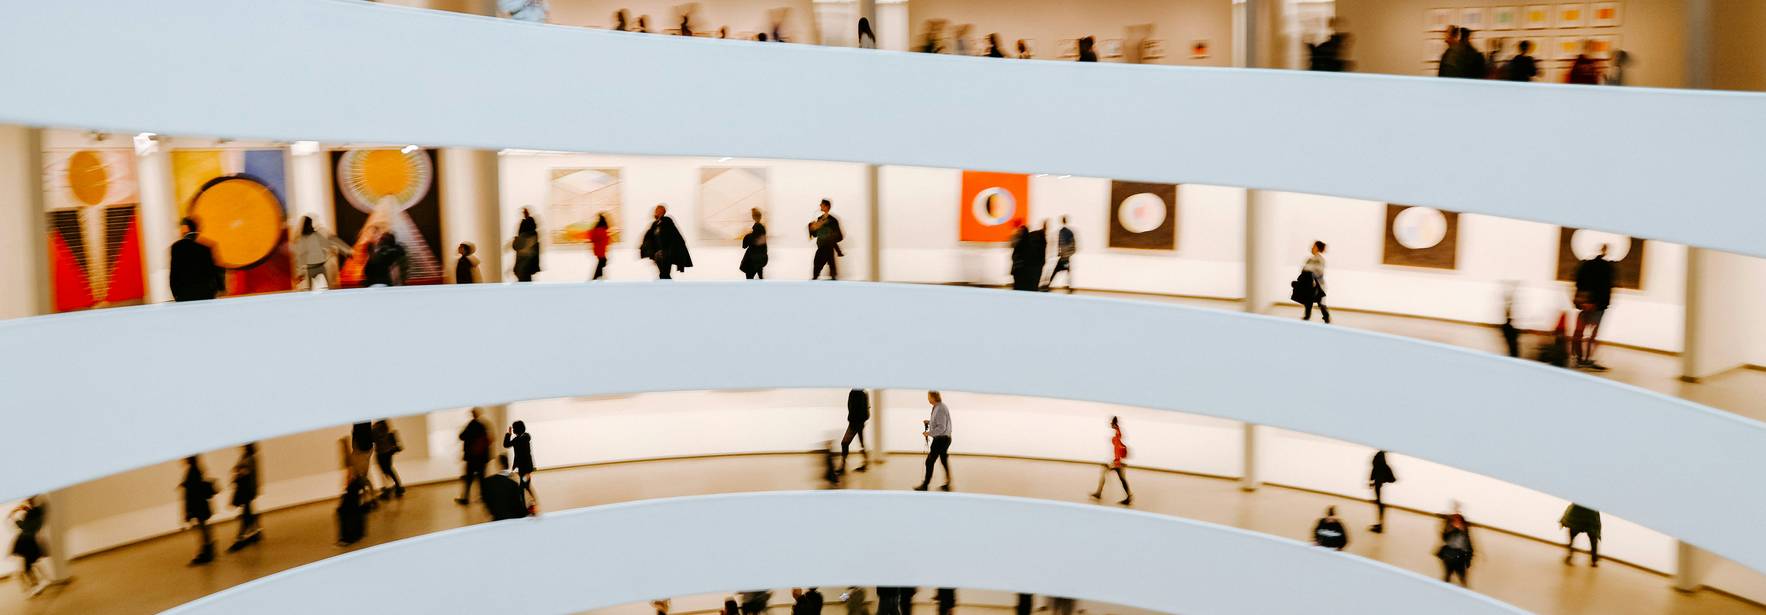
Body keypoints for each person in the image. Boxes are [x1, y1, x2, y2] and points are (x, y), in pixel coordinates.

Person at [1572, 244, 1616, 371]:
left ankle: (1579, 359)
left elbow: (1578, 282)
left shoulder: (1586, 265)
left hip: (1587, 304)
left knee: (1579, 332)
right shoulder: (1607, 267)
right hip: (1598, 305)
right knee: (1592, 335)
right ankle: (1587, 359)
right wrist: (1600, 303)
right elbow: (1606, 287)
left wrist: (1582, 302)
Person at [170, 218, 224, 302]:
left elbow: (174, 272)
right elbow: (215, 270)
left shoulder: (177, 247)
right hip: (205, 293)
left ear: (185, 228)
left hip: (184, 294)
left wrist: (175, 293)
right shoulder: (207, 246)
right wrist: (220, 288)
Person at [293, 216, 352, 290]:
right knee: (309, 290)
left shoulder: (316, 235)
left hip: (321, 266)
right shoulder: (303, 239)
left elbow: (331, 242)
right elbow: (300, 257)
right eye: (310, 223)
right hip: (311, 268)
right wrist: (300, 273)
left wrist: (346, 251)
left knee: (331, 287)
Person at [180, 456, 217, 564]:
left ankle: (206, 552)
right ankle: (208, 550)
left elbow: (192, 492)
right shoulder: (197, 469)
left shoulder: (192, 471)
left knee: (201, 528)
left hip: (197, 505)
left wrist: (188, 511)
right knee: (203, 527)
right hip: (201, 504)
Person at [640, 204, 692, 279]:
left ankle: (665, 288)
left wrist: (669, 250)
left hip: (666, 253)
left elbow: (674, 235)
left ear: (661, 212)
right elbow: (649, 237)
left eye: (657, 210)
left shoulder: (667, 221)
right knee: (663, 274)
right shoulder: (655, 224)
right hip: (657, 254)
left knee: (664, 273)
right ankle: (666, 287)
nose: (655, 212)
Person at [9, 496, 48, 596]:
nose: (26, 502)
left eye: (28, 500)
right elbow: (29, 524)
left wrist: (14, 516)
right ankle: (38, 582)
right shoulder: (38, 511)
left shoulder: (33, 512)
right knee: (31, 562)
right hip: (29, 540)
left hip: (25, 540)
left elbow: (24, 526)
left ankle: (37, 584)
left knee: (28, 565)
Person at [1089, 416, 1133, 505]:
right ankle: (1129, 496)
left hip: (1118, 463)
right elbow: (1117, 450)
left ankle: (1099, 493)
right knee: (1121, 479)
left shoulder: (1117, 434)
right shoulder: (1116, 435)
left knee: (1117, 477)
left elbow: (1118, 444)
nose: (1110, 424)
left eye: (1111, 423)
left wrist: (1115, 463)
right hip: (1117, 462)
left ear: (1114, 423)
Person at [915, 391, 953, 491]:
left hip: (941, 439)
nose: (928, 398)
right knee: (944, 460)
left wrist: (929, 433)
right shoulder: (938, 407)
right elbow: (938, 423)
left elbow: (941, 427)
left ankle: (925, 485)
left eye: (928, 396)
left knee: (929, 461)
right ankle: (948, 484)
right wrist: (929, 422)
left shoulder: (940, 409)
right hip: (944, 439)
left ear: (933, 397)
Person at [227, 443, 262, 552]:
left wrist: (237, 472)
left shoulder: (249, 458)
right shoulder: (247, 457)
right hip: (246, 489)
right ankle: (256, 532)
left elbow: (244, 471)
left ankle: (240, 538)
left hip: (246, 490)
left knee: (246, 514)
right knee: (248, 512)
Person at [456, 408, 492, 504]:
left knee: (469, 479)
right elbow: (490, 440)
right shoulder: (484, 424)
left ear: (473, 414)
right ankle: (485, 498)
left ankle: (465, 498)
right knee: (482, 479)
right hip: (482, 457)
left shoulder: (472, 424)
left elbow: (461, 436)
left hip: (472, 458)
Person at [481, 454, 530, 521]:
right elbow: (520, 510)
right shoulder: (513, 484)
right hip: (512, 520)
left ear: (498, 465)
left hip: (496, 519)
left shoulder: (488, 482)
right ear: (508, 464)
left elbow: (486, 502)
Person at [335, 455, 369, 546]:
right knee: (350, 513)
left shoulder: (355, 471)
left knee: (347, 513)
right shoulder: (356, 470)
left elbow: (351, 479)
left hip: (353, 493)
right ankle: (353, 535)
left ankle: (350, 537)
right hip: (353, 493)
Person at [1293, 241, 1330, 323]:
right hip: (1309, 284)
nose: (1312, 247)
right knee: (1308, 301)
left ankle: (1326, 318)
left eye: (1314, 246)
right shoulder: (1309, 259)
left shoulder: (1320, 259)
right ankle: (1307, 317)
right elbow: (1303, 270)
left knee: (1320, 303)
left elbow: (1319, 272)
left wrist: (1310, 271)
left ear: (1318, 248)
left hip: (1318, 285)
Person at [1437, 509, 1475, 586]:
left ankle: (1464, 593)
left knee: (1462, 578)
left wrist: (1469, 560)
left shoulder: (1465, 531)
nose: (1457, 522)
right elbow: (1445, 538)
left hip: (1460, 557)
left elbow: (1469, 545)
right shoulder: (1449, 528)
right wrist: (1453, 529)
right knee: (1448, 576)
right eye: (1455, 520)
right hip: (1450, 555)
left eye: (1459, 520)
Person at [808, 199, 844, 280]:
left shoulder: (833, 220)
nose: (820, 205)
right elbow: (815, 234)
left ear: (827, 206)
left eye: (822, 204)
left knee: (825, 267)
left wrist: (830, 238)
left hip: (828, 246)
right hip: (821, 246)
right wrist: (812, 228)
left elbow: (839, 236)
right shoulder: (819, 219)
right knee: (819, 267)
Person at [504, 420, 537, 500]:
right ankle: (534, 500)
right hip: (526, 467)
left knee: (522, 486)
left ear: (516, 430)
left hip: (525, 469)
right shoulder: (526, 436)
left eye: (514, 428)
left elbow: (506, 445)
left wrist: (508, 434)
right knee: (526, 486)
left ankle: (524, 504)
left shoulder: (517, 440)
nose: (513, 430)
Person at [372, 420, 405, 499]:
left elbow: (372, 439)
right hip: (388, 452)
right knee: (389, 470)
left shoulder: (375, 428)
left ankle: (388, 490)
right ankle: (397, 487)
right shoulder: (385, 425)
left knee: (385, 472)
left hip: (381, 453)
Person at [841, 388, 870, 474]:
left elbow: (856, 409)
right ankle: (865, 464)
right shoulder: (862, 393)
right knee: (861, 443)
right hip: (858, 423)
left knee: (844, 443)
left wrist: (855, 421)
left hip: (855, 423)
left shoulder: (857, 393)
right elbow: (866, 409)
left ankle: (843, 466)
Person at [1044, 216, 1075, 292]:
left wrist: (1061, 253)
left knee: (1056, 271)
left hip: (1063, 258)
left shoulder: (1062, 232)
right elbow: (1072, 244)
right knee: (1067, 271)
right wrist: (1069, 254)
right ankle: (1069, 286)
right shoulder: (1069, 232)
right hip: (1066, 257)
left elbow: (1061, 244)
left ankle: (1048, 285)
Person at [1368, 450, 1396, 533]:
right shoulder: (1382, 466)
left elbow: (1392, 479)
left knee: (1380, 505)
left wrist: (1382, 480)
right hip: (1378, 487)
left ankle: (1380, 526)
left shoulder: (1381, 466)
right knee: (1379, 504)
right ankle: (1379, 524)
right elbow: (1373, 475)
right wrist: (1379, 480)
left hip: (1378, 487)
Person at [512, 208, 542, 282]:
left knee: (524, 275)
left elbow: (519, 243)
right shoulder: (530, 227)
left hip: (525, 257)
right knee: (525, 276)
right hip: (525, 257)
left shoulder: (528, 226)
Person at [741, 208, 768, 280]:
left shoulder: (756, 229)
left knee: (749, 277)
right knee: (760, 277)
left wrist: (747, 238)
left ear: (753, 217)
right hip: (759, 258)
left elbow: (753, 241)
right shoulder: (762, 229)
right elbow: (761, 243)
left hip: (754, 260)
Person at [1500, 283, 1522, 358]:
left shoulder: (1506, 326)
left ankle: (1511, 292)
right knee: (1508, 307)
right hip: (1509, 333)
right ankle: (1511, 292)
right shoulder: (1507, 326)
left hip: (1508, 331)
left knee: (1508, 307)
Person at [588, 214, 612, 280]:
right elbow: (602, 239)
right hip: (600, 249)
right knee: (603, 261)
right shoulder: (600, 230)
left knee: (602, 261)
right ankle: (596, 276)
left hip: (599, 249)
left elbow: (593, 238)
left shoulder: (598, 229)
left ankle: (599, 276)